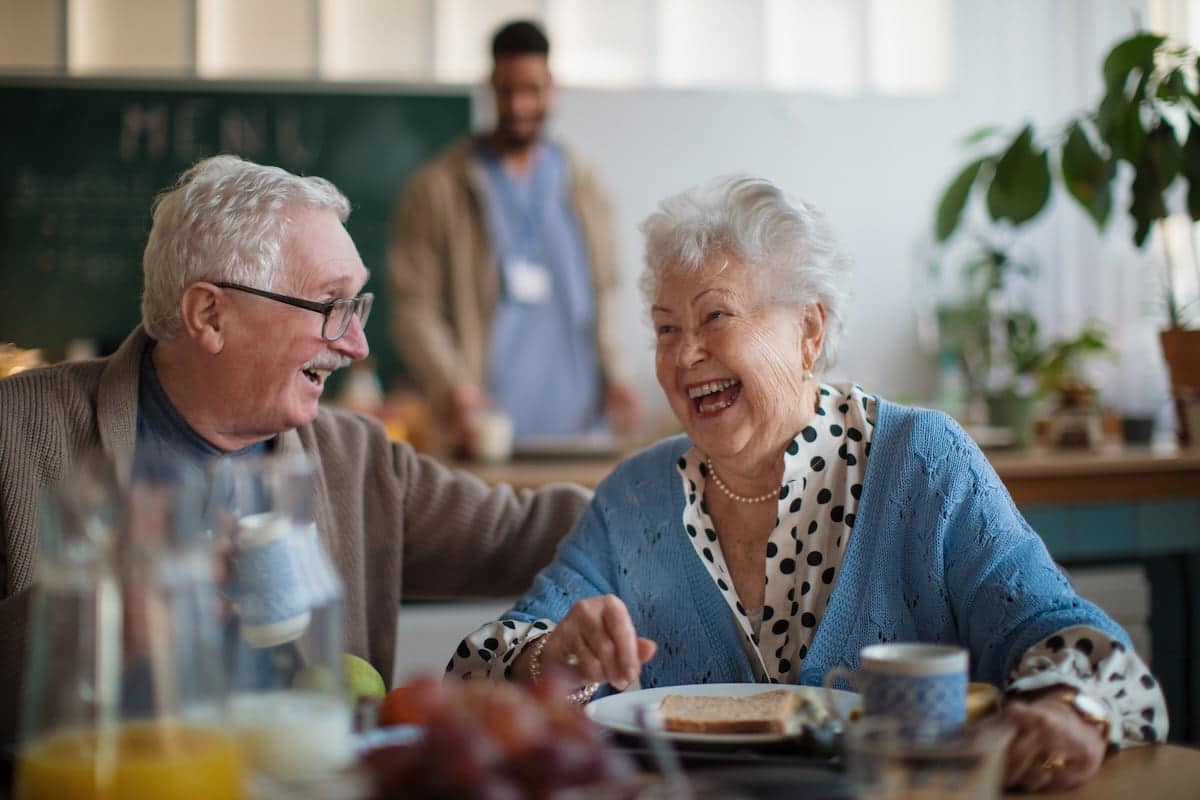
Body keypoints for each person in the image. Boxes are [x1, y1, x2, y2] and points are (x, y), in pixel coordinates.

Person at [448, 176, 1169, 792]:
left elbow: (1061, 632)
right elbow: (484, 667)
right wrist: (552, 659)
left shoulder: (924, 462)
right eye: (666, 328)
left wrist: (1071, 708)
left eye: (715, 316)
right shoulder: (634, 496)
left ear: (809, 331)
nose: (684, 353)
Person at [0, 155, 590, 758]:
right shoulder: (16, 431)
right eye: (332, 305)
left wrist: (684, 481)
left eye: (358, 306)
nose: (357, 345)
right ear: (210, 315)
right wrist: (86, 618)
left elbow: (528, 532)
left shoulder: (354, 457)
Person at [388, 19, 639, 450]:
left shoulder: (585, 186)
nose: (521, 105)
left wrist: (617, 375)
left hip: (582, 435)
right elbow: (414, 307)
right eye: (508, 92)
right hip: (484, 438)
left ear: (552, 87)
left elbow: (606, 292)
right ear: (490, 86)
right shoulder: (438, 189)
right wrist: (453, 387)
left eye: (533, 90)